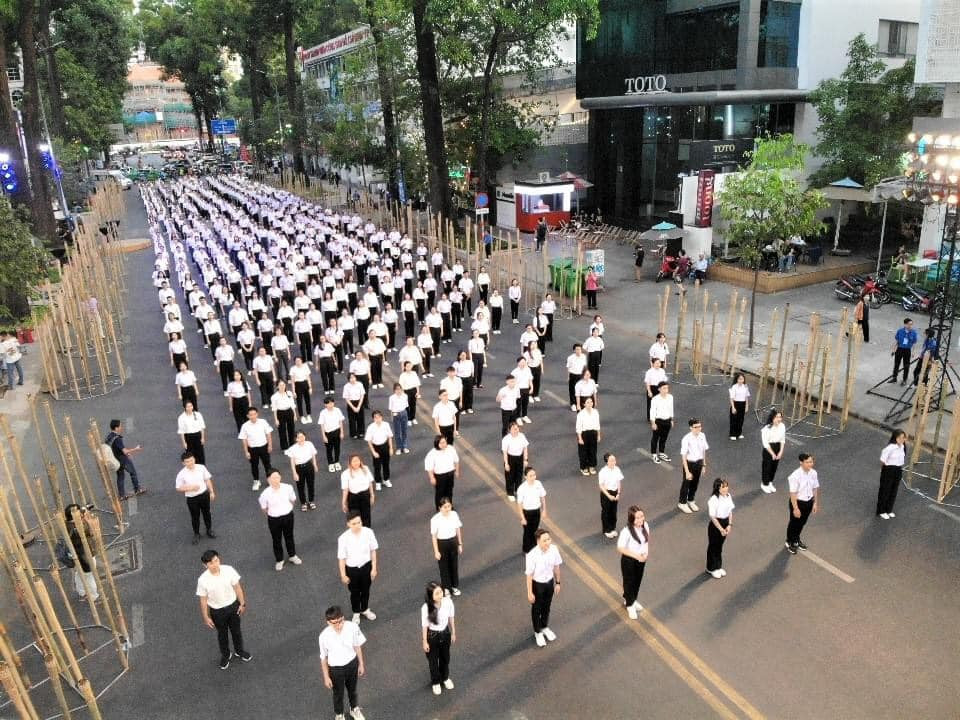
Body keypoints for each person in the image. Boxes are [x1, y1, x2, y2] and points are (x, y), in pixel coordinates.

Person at [196, 550, 251, 670]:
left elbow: (237, 587)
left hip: (233, 606)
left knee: (236, 631)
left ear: (219, 559)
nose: (215, 564)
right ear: (205, 565)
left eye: (216, 560)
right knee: (222, 635)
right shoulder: (202, 580)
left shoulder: (229, 570)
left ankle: (239, 651)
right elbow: (203, 600)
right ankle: (226, 655)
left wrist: (242, 604)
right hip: (217, 612)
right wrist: (205, 617)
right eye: (211, 563)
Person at [318, 605, 367, 720]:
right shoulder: (323, 636)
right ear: (328, 622)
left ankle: (354, 709)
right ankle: (339, 714)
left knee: (353, 690)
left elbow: (357, 646)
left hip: (352, 664)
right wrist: (326, 677)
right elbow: (323, 658)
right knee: (338, 694)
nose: (339, 625)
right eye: (335, 623)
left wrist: (361, 664)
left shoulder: (352, 627)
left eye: (341, 621)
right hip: (336, 669)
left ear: (343, 617)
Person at [337, 511, 379, 624]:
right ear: (348, 524)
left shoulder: (369, 532)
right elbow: (341, 558)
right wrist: (343, 575)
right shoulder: (343, 538)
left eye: (359, 522)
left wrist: (374, 568)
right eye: (354, 523)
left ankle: (364, 609)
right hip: (352, 570)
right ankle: (356, 612)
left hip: (366, 567)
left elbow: (373, 551)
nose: (357, 525)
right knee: (354, 592)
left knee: (366, 590)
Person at [525, 528, 562, 647]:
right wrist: (529, 592)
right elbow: (529, 575)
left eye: (549, 539)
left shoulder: (554, 549)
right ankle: (537, 632)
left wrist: (558, 583)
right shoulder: (531, 555)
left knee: (547, 606)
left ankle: (544, 627)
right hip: (538, 585)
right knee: (537, 609)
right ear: (538, 541)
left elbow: (556, 567)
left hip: (549, 583)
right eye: (544, 540)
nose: (548, 542)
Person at [258, 469, 301, 571]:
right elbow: (264, 508)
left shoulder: (288, 487)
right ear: (268, 480)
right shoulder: (265, 494)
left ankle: (292, 555)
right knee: (276, 539)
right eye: (273, 478)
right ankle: (279, 560)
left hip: (288, 516)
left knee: (289, 536)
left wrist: (287, 509)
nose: (275, 479)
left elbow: (293, 500)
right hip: (274, 519)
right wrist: (273, 514)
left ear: (280, 477)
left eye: (277, 477)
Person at [421, 581, 457, 696]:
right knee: (433, 661)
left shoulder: (448, 602)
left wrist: (453, 632)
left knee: (445, 658)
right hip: (432, 636)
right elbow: (425, 625)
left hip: (445, 633)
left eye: (440, 592)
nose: (440, 595)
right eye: (436, 593)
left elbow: (451, 617)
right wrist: (425, 641)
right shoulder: (426, 608)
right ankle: (436, 682)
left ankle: (445, 677)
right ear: (430, 596)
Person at [175, 451, 216, 543]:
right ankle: (196, 534)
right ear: (183, 463)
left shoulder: (201, 467)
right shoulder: (181, 474)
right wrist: (190, 488)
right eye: (187, 461)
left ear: (194, 459)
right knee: (195, 517)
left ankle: (209, 530)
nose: (190, 463)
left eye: (191, 460)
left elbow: (207, 480)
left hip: (204, 495)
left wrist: (212, 492)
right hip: (192, 498)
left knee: (207, 513)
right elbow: (178, 488)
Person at [617, 505, 649, 619]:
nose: (641, 519)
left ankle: (632, 599)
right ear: (632, 519)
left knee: (637, 581)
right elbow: (620, 548)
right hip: (629, 560)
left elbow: (646, 541)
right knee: (629, 582)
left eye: (642, 516)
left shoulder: (646, 525)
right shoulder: (626, 531)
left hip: (641, 559)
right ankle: (629, 605)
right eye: (637, 518)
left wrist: (645, 553)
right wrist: (636, 556)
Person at [785, 453, 820, 554]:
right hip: (798, 503)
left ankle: (796, 539)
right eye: (807, 462)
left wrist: (815, 503)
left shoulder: (813, 473)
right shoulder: (795, 476)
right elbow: (793, 493)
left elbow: (815, 488)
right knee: (794, 523)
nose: (810, 464)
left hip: (809, 502)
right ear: (801, 463)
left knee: (802, 523)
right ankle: (790, 541)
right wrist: (796, 508)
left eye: (811, 462)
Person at [430, 499, 463, 596]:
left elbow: (458, 529)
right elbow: (434, 536)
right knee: (444, 567)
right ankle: (446, 588)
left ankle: (454, 586)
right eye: (445, 507)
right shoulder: (435, 519)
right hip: (442, 544)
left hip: (453, 542)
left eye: (449, 506)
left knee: (454, 565)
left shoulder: (454, 514)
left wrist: (460, 544)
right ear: (440, 508)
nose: (447, 509)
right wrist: (436, 551)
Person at [65, 504, 98, 601]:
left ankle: (82, 591)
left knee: (79, 574)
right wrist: (86, 519)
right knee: (89, 575)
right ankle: (93, 596)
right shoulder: (76, 528)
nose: (81, 513)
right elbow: (89, 531)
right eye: (78, 512)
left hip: (77, 557)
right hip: (84, 556)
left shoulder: (68, 525)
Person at [105, 419, 144, 499]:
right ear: (116, 428)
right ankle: (137, 489)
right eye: (120, 426)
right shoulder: (117, 439)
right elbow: (124, 451)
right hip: (122, 459)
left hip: (115, 459)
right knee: (133, 472)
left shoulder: (109, 436)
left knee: (120, 476)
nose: (121, 427)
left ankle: (122, 495)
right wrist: (136, 449)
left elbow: (115, 448)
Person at [238, 407, 273, 491]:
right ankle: (256, 481)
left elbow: (268, 434)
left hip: (263, 447)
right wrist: (246, 451)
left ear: (257, 414)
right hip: (252, 449)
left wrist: (270, 445)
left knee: (267, 464)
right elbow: (244, 439)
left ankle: (270, 479)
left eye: (254, 414)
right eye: (251, 415)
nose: (253, 416)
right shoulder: (245, 426)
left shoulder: (263, 422)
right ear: (248, 416)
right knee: (254, 466)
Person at [678, 418, 708, 513]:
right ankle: (682, 503)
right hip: (689, 464)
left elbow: (703, 451)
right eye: (696, 427)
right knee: (686, 484)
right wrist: (687, 471)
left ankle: (691, 500)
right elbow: (683, 456)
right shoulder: (686, 439)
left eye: (700, 426)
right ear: (691, 428)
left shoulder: (702, 435)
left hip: (699, 463)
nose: (699, 428)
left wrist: (704, 465)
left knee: (695, 483)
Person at [706, 478, 734, 578]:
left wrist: (729, 525)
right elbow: (713, 517)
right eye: (723, 487)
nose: (726, 489)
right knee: (713, 547)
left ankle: (718, 566)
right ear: (718, 488)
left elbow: (730, 511)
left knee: (719, 546)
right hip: (716, 525)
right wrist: (721, 529)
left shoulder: (728, 496)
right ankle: (710, 568)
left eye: (726, 486)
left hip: (725, 522)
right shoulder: (713, 500)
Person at [286, 431, 319, 511]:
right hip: (299, 468)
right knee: (300, 486)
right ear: (296, 439)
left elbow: (313, 455)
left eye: (302, 436)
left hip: (309, 466)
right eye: (299, 437)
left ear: (305, 436)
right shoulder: (293, 448)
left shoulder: (309, 444)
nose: (301, 438)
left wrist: (315, 465)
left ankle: (311, 501)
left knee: (311, 484)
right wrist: (294, 473)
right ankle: (303, 503)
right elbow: (292, 462)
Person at [425, 435, 459, 510]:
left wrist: (457, 471)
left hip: (450, 474)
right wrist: (432, 478)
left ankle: (449, 506)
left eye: (444, 442)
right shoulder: (432, 453)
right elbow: (429, 467)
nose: (444, 444)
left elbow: (456, 460)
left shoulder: (451, 449)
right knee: (440, 493)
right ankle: (440, 508)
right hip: (440, 476)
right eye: (441, 443)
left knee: (449, 491)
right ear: (437, 444)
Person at [877, 430, 906, 520]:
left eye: (903, 437)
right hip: (889, 470)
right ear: (895, 438)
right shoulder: (890, 448)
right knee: (885, 490)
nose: (901, 439)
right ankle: (881, 511)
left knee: (894, 490)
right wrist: (883, 470)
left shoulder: (903, 447)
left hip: (898, 470)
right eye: (899, 438)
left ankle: (889, 510)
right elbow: (882, 460)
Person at [341, 454, 376, 528]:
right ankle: (356, 530)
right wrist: (344, 502)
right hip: (353, 498)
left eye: (357, 460)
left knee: (366, 515)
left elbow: (370, 483)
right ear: (350, 463)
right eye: (354, 461)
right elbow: (345, 489)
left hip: (365, 495)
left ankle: (366, 530)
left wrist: (372, 495)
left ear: (360, 461)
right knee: (354, 517)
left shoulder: (365, 469)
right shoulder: (345, 474)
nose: (356, 463)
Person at [517, 466, 547, 553]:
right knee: (527, 532)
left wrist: (544, 510)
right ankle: (526, 549)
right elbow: (519, 504)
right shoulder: (522, 488)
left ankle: (534, 547)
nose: (533, 477)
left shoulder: (538, 484)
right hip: (527, 513)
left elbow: (542, 497)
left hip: (536, 511)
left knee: (535, 530)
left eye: (534, 475)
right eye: (530, 476)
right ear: (525, 477)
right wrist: (522, 518)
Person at [364, 411, 394, 490]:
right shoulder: (370, 427)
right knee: (377, 466)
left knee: (386, 464)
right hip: (376, 447)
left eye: (379, 417)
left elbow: (389, 437)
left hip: (385, 446)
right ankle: (378, 482)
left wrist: (391, 448)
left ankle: (386, 479)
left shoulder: (386, 425)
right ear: (373, 419)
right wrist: (373, 452)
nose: (378, 419)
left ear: (381, 417)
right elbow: (369, 441)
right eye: (375, 418)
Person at [501, 422, 529, 500]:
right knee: (510, 476)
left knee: (519, 476)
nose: (516, 430)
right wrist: (506, 463)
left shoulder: (522, 436)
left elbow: (525, 448)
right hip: (510, 458)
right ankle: (510, 493)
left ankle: (518, 490)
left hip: (519, 458)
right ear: (510, 430)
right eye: (514, 429)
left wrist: (525, 459)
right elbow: (505, 452)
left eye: (517, 428)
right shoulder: (506, 439)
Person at [761, 409, 786, 493]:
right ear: (772, 418)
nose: (779, 419)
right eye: (776, 417)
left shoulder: (782, 426)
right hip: (769, 449)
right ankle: (764, 484)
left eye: (780, 417)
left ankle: (770, 482)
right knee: (767, 467)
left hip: (778, 447)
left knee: (774, 467)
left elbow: (782, 439)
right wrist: (772, 453)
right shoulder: (767, 428)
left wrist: (781, 451)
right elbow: (765, 443)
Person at [598, 452, 623, 538]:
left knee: (613, 511)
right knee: (606, 512)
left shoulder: (617, 469)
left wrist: (618, 493)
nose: (614, 462)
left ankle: (612, 528)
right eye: (611, 460)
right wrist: (609, 496)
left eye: (614, 460)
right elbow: (601, 486)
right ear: (607, 461)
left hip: (615, 492)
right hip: (606, 493)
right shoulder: (603, 472)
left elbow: (619, 482)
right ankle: (606, 530)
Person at [648, 382, 674, 464]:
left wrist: (671, 419)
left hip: (667, 421)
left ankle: (661, 453)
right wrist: (653, 423)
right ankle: (654, 454)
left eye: (667, 388)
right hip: (658, 421)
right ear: (659, 389)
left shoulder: (670, 397)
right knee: (655, 438)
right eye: (664, 388)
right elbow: (652, 411)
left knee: (664, 438)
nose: (666, 390)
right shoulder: (655, 399)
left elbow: (671, 408)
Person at [318, 397, 346, 472]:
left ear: (334, 403)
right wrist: (324, 436)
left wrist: (342, 432)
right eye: (328, 403)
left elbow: (340, 422)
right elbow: (322, 425)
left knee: (337, 448)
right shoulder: (323, 413)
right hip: (328, 433)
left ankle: (337, 462)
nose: (330, 405)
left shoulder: (337, 410)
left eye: (332, 403)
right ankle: (330, 463)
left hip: (337, 432)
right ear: (325, 405)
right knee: (329, 449)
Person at [575, 396, 601, 475]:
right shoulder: (581, 414)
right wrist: (580, 438)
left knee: (593, 451)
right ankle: (584, 467)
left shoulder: (595, 412)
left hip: (593, 433)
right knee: (583, 452)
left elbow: (597, 424)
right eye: (588, 402)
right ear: (584, 404)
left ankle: (592, 466)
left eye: (591, 402)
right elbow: (578, 427)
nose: (590, 404)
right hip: (584, 434)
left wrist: (598, 435)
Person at [271, 380, 298, 451]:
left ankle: (292, 444)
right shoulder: (274, 396)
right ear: (277, 387)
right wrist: (276, 419)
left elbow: (292, 404)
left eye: (283, 385)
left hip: (289, 411)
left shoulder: (289, 393)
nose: (282, 387)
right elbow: (274, 409)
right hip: (280, 413)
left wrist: (295, 414)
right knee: (282, 430)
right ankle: (284, 447)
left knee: (291, 429)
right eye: (280, 385)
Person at [177, 401, 207, 465]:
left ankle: (201, 467)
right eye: (188, 407)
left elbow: (202, 427)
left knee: (200, 453)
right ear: (185, 408)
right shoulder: (181, 417)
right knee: (190, 454)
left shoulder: (198, 414)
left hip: (197, 435)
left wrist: (202, 438)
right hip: (188, 437)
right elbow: (182, 431)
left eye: (191, 406)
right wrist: (184, 443)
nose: (190, 408)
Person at [890, 318, 917, 385]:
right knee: (896, 364)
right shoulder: (900, 331)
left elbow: (914, 343)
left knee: (906, 365)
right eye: (909, 324)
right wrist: (893, 350)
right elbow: (896, 341)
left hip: (907, 350)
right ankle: (894, 378)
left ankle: (904, 380)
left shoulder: (913, 332)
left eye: (911, 324)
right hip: (899, 349)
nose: (910, 326)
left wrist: (913, 352)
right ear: (905, 324)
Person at [388, 383, 411, 454]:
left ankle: (404, 446)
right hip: (396, 414)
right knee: (397, 432)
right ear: (394, 390)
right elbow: (391, 409)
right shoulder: (391, 398)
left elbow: (406, 406)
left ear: (401, 389)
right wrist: (392, 417)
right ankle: (399, 448)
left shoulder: (405, 396)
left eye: (400, 389)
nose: (398, 391)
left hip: (404, 413)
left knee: (404, 431)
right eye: (397, 389)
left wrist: (408, 417)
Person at [343, 373, 366, 438]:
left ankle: (361, 432)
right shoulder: (346, 386)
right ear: (348, 379)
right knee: (352, 419)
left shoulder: (360, 384)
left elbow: (362, 395)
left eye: (353, 377)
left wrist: (359, 406)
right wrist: (353, 407)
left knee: (360, 418)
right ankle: (353, 433)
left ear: (356, 378)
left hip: (359, 402)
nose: (352, 379)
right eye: (351, 378)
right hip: (351, 403)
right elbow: (346, 398)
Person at [565, 344, 588, 411]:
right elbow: (568, 367)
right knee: (572, 390)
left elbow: (584, 367)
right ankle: (573, 404)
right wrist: (568, 376)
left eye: (580, 349)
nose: (578, 351)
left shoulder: (584, 356)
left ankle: (581, 403)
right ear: (574, 350)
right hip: (573, 375)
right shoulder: (570, 358)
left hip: (581, 376)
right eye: (577, 349)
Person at [728, 373, 750, 440]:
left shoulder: (745, 386)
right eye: (739, 379)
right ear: (737, 379)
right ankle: (732, 434)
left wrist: (746, 406)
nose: (741, 380)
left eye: (742, 379)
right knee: (734, 419)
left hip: (743, 404)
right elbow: (731, 398)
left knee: (741, 420)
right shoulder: (734, 387)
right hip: (735, 404)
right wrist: (733, 407)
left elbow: (746, 397)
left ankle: (739, 433)